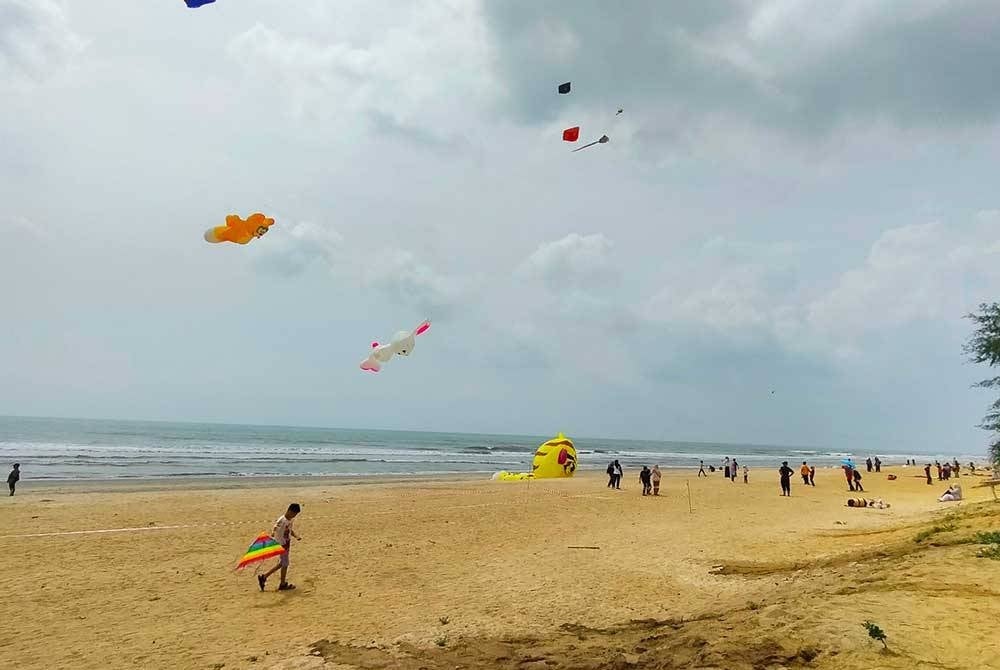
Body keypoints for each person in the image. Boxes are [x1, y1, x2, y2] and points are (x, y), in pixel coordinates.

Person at [259, 503, 302, 592]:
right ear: (289, 511)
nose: (294, 516)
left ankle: (264, 577)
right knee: (285, 564)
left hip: (286, 544)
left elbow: (289, 530)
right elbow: (276, 531)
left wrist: (296, 536)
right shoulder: (282, 521)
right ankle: (282, 584)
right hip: (282, 545)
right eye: (294, 514)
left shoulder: (290, 520)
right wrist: (280, 544)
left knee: (282, 563)